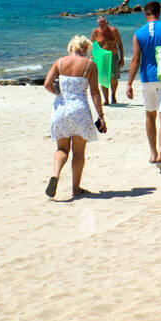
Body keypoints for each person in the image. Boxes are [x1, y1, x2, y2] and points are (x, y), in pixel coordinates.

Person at [44, 36, 106, 200]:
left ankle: (56, 175)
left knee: (62, 149)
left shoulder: (59, 63)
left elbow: (47, 84)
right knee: (78, 152)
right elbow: (94, 92)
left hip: (60, 108)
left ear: (71, 47)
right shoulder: (89, 65)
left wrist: (58, 94)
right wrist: (101, 116)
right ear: (85, 49)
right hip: (79, 108)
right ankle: (75, 189)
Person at [126, 1, 161, 170]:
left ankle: (153, 153)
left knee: (150, 115)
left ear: (145, 14)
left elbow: (135, 60)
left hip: (146, 78)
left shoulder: (138, 33)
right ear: (159, 13)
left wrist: (129, 83)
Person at [89, 16, 125, 105]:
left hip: (113, 56)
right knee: (103, 79)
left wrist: (122, 58)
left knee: (113, 78)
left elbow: (120, 44)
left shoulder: (114, 31)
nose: (101, 26)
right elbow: (91, 46)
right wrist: (91, 57)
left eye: (103, 24)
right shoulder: (96, 32)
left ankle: (113, 96)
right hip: (102, 59)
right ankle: (106, 99)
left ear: (107, 23)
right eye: (99, 24)